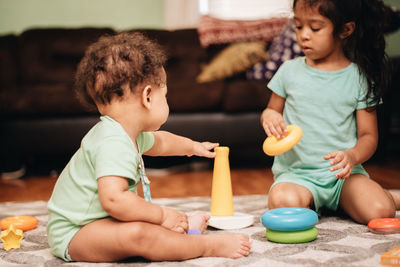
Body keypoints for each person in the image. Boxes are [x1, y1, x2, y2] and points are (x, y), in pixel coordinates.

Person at [47, 32, 251, 262]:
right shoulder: (112, 142)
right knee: (139, 233)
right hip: (75, 232)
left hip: (99, 222)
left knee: (141, 216)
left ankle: (183, 236)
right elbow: (114, 200)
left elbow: (162, 142)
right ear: (148, 97)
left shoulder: (125, 132)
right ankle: (204, 246)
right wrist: (161, 214)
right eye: (165, 94)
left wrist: (192, 146)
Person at [260, 0, 400, 224]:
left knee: (380, 211)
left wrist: (352, 156)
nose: (304, 35)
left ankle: (386, 197)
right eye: (298, 26)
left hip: (343, 178)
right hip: (297, 175)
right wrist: (270, 116)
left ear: (345, 29)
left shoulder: (359, 78)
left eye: (315, 28)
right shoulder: (289, 71)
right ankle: (313, 201)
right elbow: (270, 111)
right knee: (281, 201)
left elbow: (368, 136)